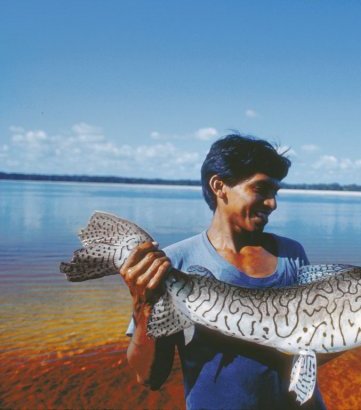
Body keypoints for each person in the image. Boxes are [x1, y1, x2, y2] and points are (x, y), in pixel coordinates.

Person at [120, 134, 326, 409]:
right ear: (219, 186)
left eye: (275, 193)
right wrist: (143, 305)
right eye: (261, 189)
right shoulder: (174, 263)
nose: (272, 203)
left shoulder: (291, 255)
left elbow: (307, 349)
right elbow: (149, 378)